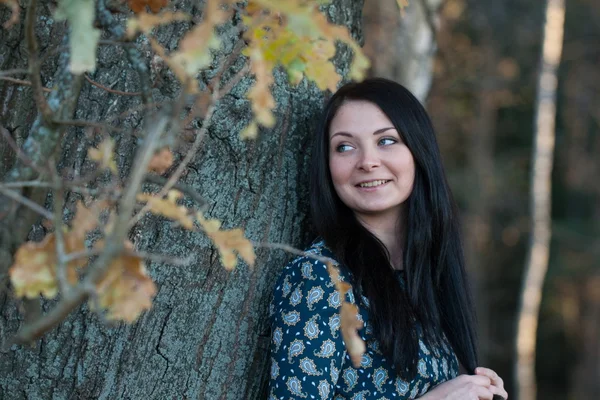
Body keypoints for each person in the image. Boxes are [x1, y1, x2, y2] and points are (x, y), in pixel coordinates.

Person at [267, 78, 508, 400]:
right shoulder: (320, 279)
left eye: (386, 141)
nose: (367, 161)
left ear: (418, 151)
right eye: (345, 146)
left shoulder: (427, 274)